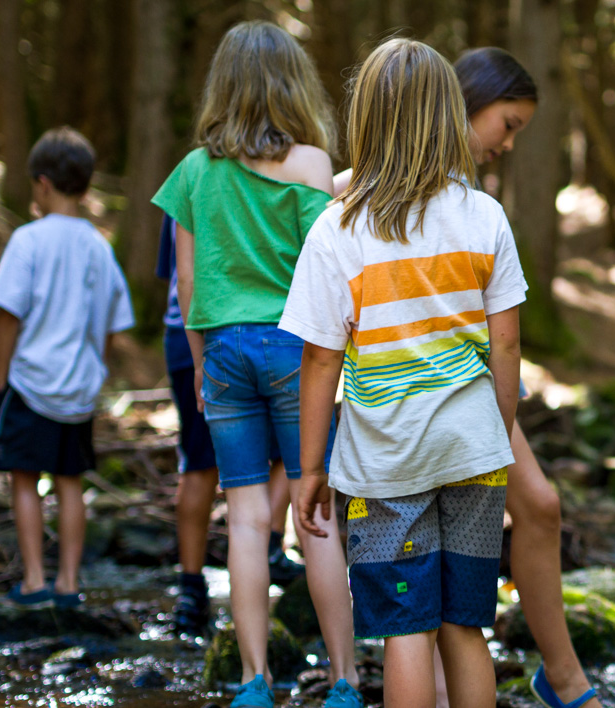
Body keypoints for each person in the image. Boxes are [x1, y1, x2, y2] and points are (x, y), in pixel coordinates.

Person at [334, 47, 600, 708]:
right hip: (419, 400)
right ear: (467, 103)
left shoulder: (475, 203)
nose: (508, 144)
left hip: (470, 390)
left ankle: (552, 676)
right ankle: (555, 680)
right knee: (521, 513)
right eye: (507, 124)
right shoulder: (394, 187)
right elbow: (344, 200)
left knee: (532, 511)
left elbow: (494, 317)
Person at [287, 38, 525, 708]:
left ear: (367, 120)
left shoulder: (339, 229)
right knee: (465, 626)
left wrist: (311, 468)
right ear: (450, 116)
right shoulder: (484, 217)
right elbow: (505, 347)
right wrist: (496, 433)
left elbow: (320, 358)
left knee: (406, 630)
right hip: (474, 451)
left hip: (385, 462)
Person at [151, 21, 359, 708]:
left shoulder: (191, 172)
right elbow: (329, 275)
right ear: (292, 86)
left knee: (243, 520)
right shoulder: (310, 165)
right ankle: (344, 682)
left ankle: (251, 683)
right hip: (295, 350)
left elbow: (185, 288)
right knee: (315, 514)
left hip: (224, 352)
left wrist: (206, 370)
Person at [0, 127, 135, 609]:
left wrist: (1, 377)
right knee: (71, 480)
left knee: (24, 477)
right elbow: (115, 322)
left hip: (28, 381)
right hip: (78, 388)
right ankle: (69, 582)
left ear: (43, 183)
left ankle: (33, 580)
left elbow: (8, 314)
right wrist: (98, 368)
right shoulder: (99, 246)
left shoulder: (28, 241)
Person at [154, 215, 305, 639]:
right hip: (239, 328)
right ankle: (209, 574)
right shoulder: (266, 165)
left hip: (198, 331)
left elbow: (175, 271)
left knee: (201, 461)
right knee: (276, 452)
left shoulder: (190, 174)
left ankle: (194, 585)